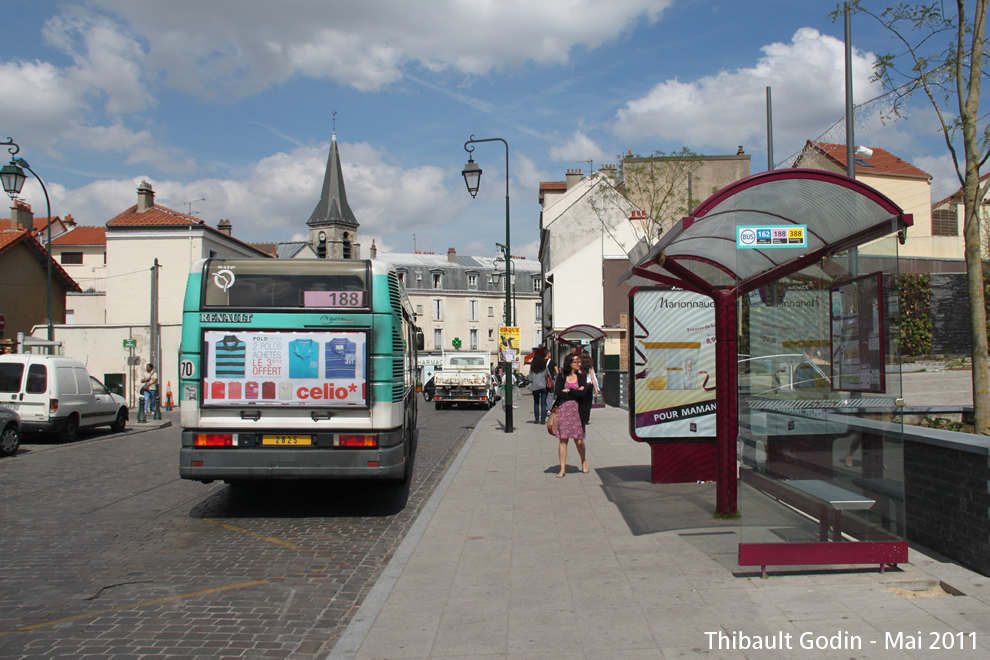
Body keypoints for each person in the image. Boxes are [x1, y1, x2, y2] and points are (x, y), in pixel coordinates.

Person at [553, 354, 592, 478]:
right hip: (563, 411)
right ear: (569, 363)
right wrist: (575, 392)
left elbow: (583, 393)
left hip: (577, 411)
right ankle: (562, 468)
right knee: (563, 440)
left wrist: (569, 391)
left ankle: (583, 460)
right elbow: (558, 392)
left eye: (579, 362)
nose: (579, 364)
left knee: (579, 441)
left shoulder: (581, 377)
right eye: (576, 362)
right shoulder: (561, 376)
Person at [527, 354, 550, 424]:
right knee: (543, 403)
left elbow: (530, 378)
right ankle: (543, 420)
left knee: (536, 402)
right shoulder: (544, 368)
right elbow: (549, 376)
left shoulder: (532, 368)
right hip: (543, 387)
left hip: (535, 387)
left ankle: (537, 419)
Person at [578, 352, 600, 426]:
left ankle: (582, 418)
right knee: (588, 403)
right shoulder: (590, 367)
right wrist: (596, 388)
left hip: (581, 385)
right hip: (589, 385)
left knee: (582, 402)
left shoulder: (579, 366)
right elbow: (593, 378)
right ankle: (586, 419)